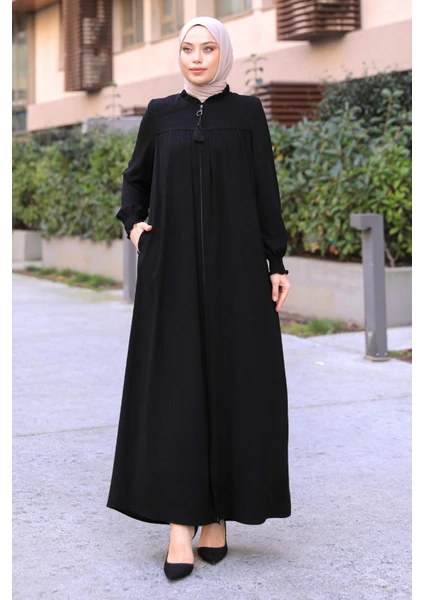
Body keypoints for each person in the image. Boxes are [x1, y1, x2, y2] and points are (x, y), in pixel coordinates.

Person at [107, 15, 292, 581]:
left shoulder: (247, 113)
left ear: (223, 54)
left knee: (236, 385)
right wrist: (136, 228)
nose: (195, 57)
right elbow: (135, 181)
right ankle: (178, 524)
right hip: (172, 275)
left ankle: (217, 518)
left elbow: (264, 189)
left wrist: (276, 261)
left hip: (238, 274)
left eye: (207, 48)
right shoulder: (161, 113)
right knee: (176, 390)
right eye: (187, 48)